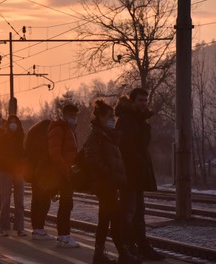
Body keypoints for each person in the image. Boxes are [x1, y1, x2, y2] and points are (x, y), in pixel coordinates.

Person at [84, 100, 141, 264]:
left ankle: (101, 254)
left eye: (112, 117)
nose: (112, 120)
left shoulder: (107, 135)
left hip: (109, 184)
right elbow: (92, 159)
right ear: (100, 117)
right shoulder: (96, 135)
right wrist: (109, 173)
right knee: (114, 218)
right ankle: (121, 254)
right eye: (109, 117)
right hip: (104, 184)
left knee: (106, 218)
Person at [115, 88, 165, 261]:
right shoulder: (126, 120)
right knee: (129, 212)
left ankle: (141, 246)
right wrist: (138, 164)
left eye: (145, 100)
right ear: (133, 101)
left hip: (137, 173)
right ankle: (128, 247)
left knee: (138, 212)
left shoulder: (138, 120)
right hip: (129, 174)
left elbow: (142, 145)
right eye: (140, 101)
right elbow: (126, 148)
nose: (144, 104)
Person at [48, 104, 80, 248]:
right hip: (63, 173)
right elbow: (55, 153)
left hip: (68, 172)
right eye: (72, 114)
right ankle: (63, 236)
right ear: (65, 114)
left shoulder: (70, 130)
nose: (74, 117)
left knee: (67, 204)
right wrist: (66, 170)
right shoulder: (59, 129)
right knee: (66, 204)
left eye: (75, 114)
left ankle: (63, 236)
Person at [0, 115, 26, 237]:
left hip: (18, 171)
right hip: (5, 171)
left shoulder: (22, 138)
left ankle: (20, 228)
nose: (13, 125)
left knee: (20, 201)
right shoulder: (3, 139)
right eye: (11, 122)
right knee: (5, 200)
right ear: (8, 125)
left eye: (15, 122)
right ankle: (4, 227)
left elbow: (26, 153)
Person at [26, 119, 56, 240]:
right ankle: (40, 229)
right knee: (44, 201)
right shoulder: (45, 141)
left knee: (36, 200)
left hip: (34, 172)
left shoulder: (31, 135)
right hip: (43, 173)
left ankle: (36, 229)